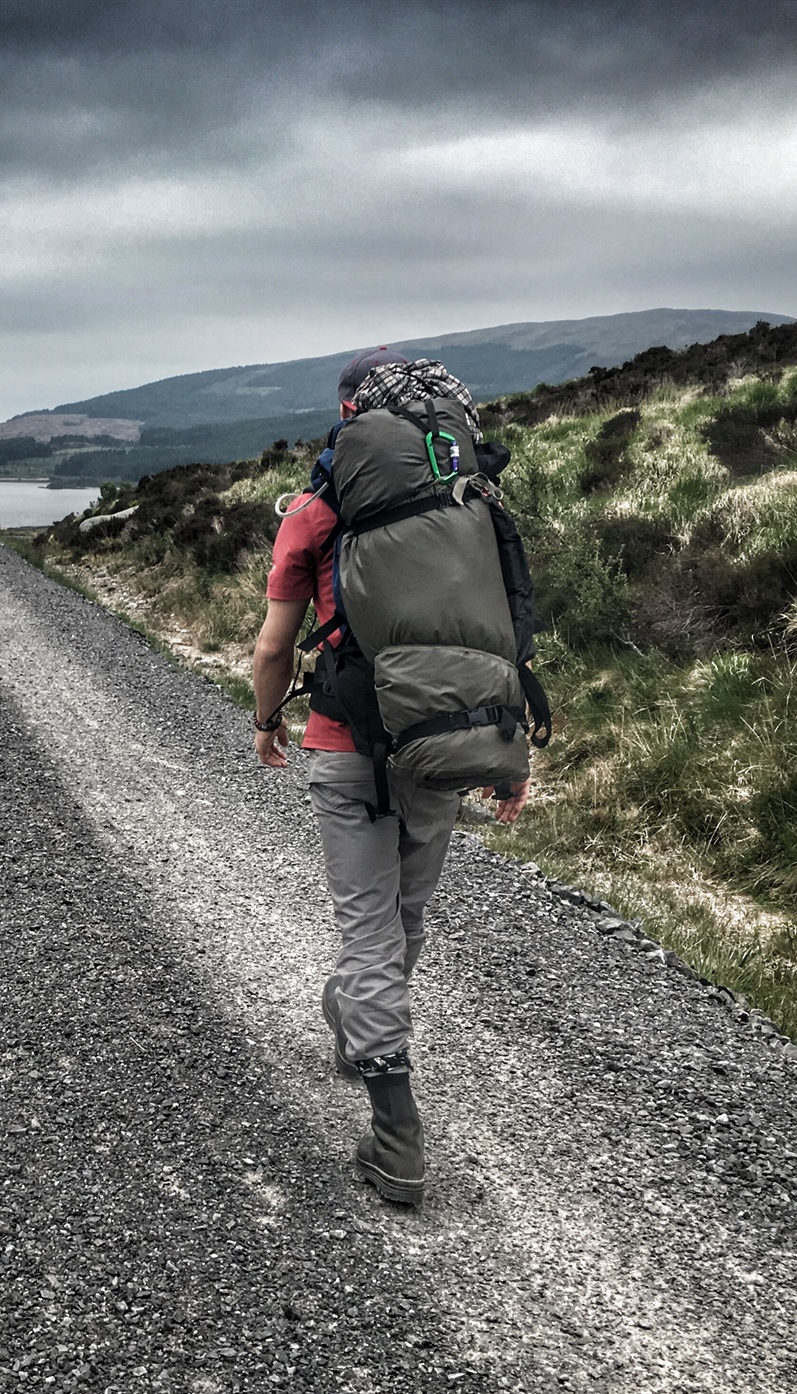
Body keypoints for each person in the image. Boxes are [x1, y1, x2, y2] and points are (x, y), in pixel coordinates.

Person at [249, 346, 528, 1205]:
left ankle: (397, 1135)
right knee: (404, 919)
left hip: (345, 743)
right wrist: (511, 755)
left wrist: (267, 722)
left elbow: (272, 648)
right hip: (449, 738)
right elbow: (505, 631)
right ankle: (355, 1021)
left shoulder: (317, 512)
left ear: (351, 418)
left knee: (369, 932)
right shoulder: (472, 501)